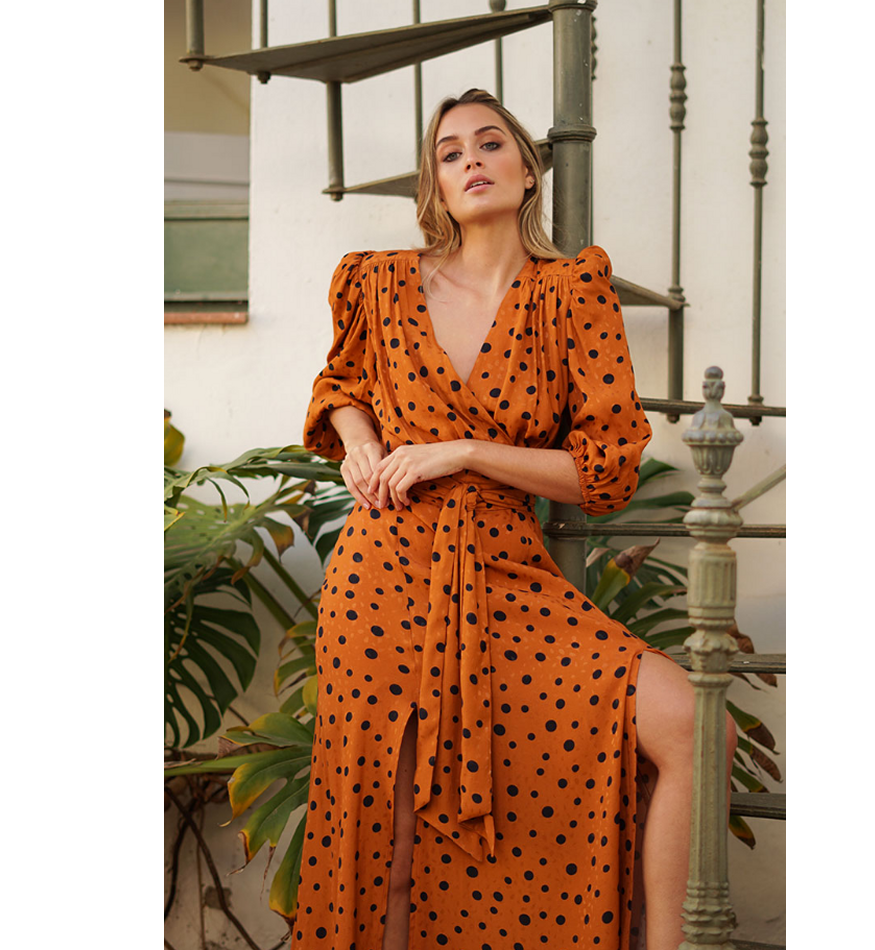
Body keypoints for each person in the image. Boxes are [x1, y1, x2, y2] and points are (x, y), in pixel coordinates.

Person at [294, 88, 737, 950]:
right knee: (389, 846)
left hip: (507, 571)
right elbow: (339, 385)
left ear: (529, 171)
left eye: (490, 143)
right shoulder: (379, 281)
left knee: (690, 723)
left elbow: (604, 470)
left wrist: (463, 451)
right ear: (434, 185)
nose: (471, 159)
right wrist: (359, 441)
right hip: (383, 574)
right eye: (450, 152)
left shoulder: (571, 295)